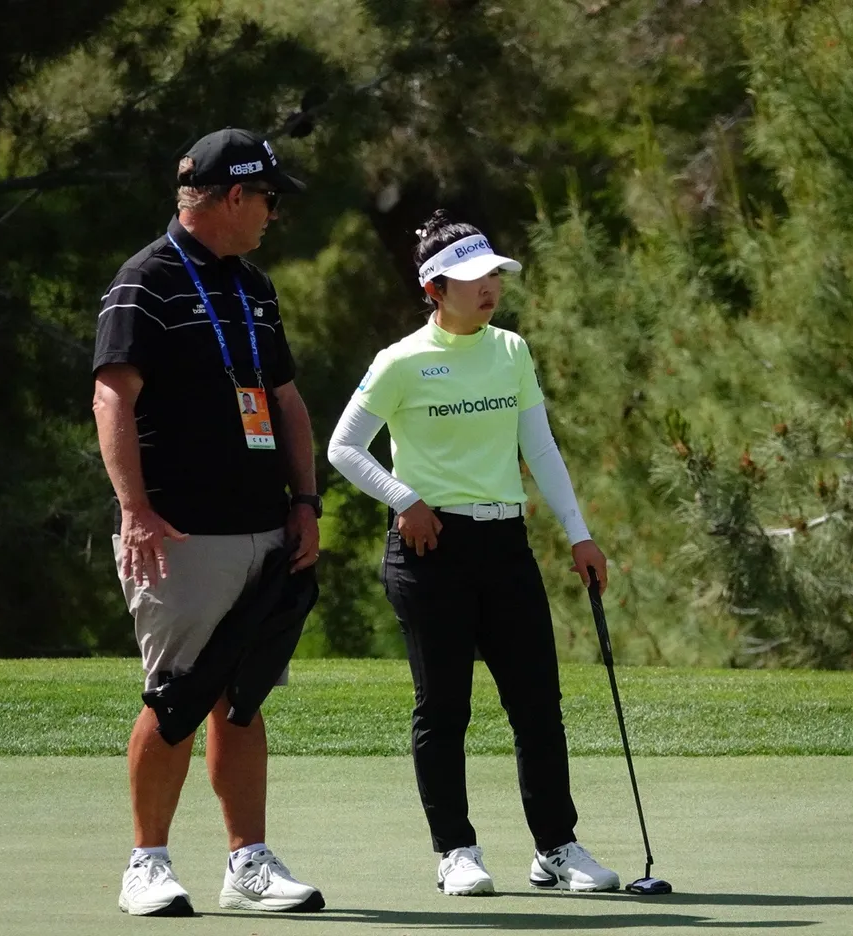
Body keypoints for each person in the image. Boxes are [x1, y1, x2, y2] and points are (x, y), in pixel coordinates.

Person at [326, 210, 621, 897]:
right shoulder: (400, 361)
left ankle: (555, 848)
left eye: (494, 275)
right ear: (434, 288)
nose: (489, 287)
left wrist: (579, 532)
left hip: (505, 544)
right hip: (430, 549)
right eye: (472, 278)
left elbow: (539, 447)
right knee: (444, 711)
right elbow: (344, 447)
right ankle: (456, 850)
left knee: (537, 705)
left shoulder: (511, 351)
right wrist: (403, 499)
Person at [92, 127, 326, 917]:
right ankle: (146, 865)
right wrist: (135, 511)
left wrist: (305, 503)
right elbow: (111, 398)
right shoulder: (145, 281)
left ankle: (247, 862)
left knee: (242, 697)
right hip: (180, 533)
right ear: (232, 196)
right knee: (178, 696)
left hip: (263, 527)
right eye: (267, 198)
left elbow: (285, 400)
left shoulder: (254, 287)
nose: (272, 213)